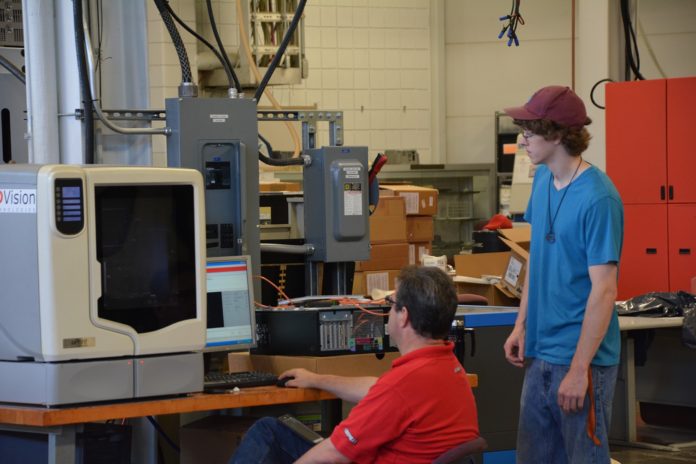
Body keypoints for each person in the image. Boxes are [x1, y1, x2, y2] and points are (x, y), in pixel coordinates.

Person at [230, 266, 479, 464]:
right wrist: (316, 379)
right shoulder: (447, 367)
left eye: (392, 303)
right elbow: (379, 390)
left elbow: (332, 455)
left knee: (268, 432)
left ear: (404, 316)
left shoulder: (402, 386)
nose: (389, 311)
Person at [502, 86, 624, 463]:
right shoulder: (541, 180)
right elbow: (537, 260)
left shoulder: (598, 198)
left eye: (529, 132)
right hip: (540, 353)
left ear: (555, 134)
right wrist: (521, 325)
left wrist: (578, 369)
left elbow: (604, 292)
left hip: (580, 361)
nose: (523, 140)